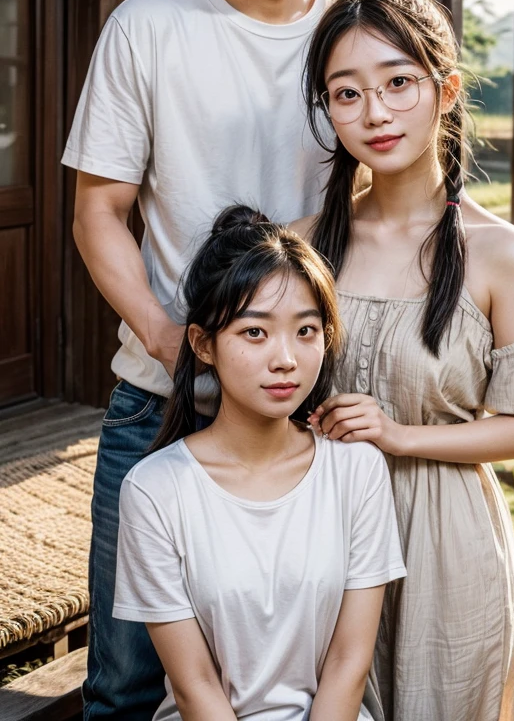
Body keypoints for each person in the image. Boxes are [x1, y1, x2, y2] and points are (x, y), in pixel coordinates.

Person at [61, 0, 356, 719]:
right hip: (160, 408)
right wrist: (162, 334)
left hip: (313, 408)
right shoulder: (149, 27)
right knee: (125, 683)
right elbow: (97, 209)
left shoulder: (355, 40)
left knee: (303, 677)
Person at [293, 0, 514, 721]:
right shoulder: (304, 246)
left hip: (446, 544)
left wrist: (396, 433)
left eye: (398, 83)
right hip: (318, 532)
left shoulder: (500, 255)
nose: (374, 112)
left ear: (446, 90)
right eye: (346, 93)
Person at [112, 205, 406, 721]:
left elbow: (348, 662)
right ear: (203, 344)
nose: (285, 359)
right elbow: (194, 684)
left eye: (306, 331)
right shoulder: (154, 490)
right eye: (255, 332)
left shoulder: (357, 469)